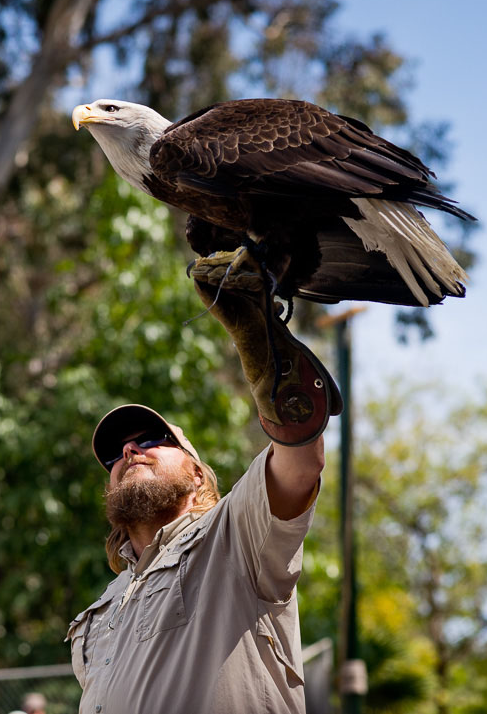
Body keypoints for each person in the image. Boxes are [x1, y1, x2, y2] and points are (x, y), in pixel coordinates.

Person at [67, 249, 342, 714]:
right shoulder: (103, 606)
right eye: (118, 452)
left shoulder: (233, 536)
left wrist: (261, 346)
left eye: (151, 440)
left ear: (197, 473)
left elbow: (301, 460)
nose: (130, 451)